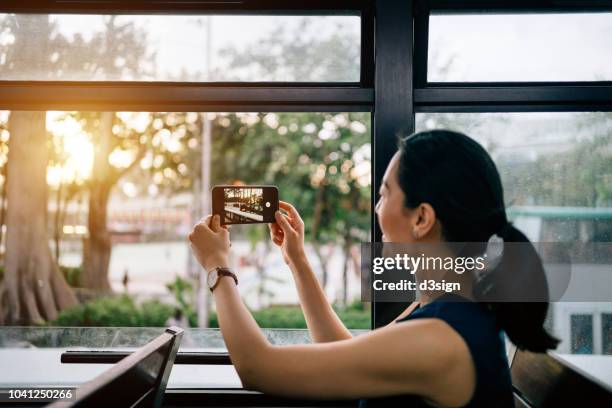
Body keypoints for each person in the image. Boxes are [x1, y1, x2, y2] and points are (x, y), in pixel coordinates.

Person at [188, 129, 559, 407]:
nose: (376, 208)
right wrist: (298, 261)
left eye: (383, 193)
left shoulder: (440, 337)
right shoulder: (447, 309)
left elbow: (258, 369)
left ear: (422, 218)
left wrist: (217, 266)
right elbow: (346, 353)